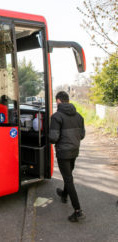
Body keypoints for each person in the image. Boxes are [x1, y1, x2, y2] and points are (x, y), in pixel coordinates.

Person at [49, 91, 86, 222]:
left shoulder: (56, 117)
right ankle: (64, 195)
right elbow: (82, 135)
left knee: (68, 179)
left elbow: (53, 138)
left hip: (63, 152)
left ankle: (78, 211)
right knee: (68, 174)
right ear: (68, 100)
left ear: (58, 100)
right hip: (74, 151)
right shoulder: (79, 116)